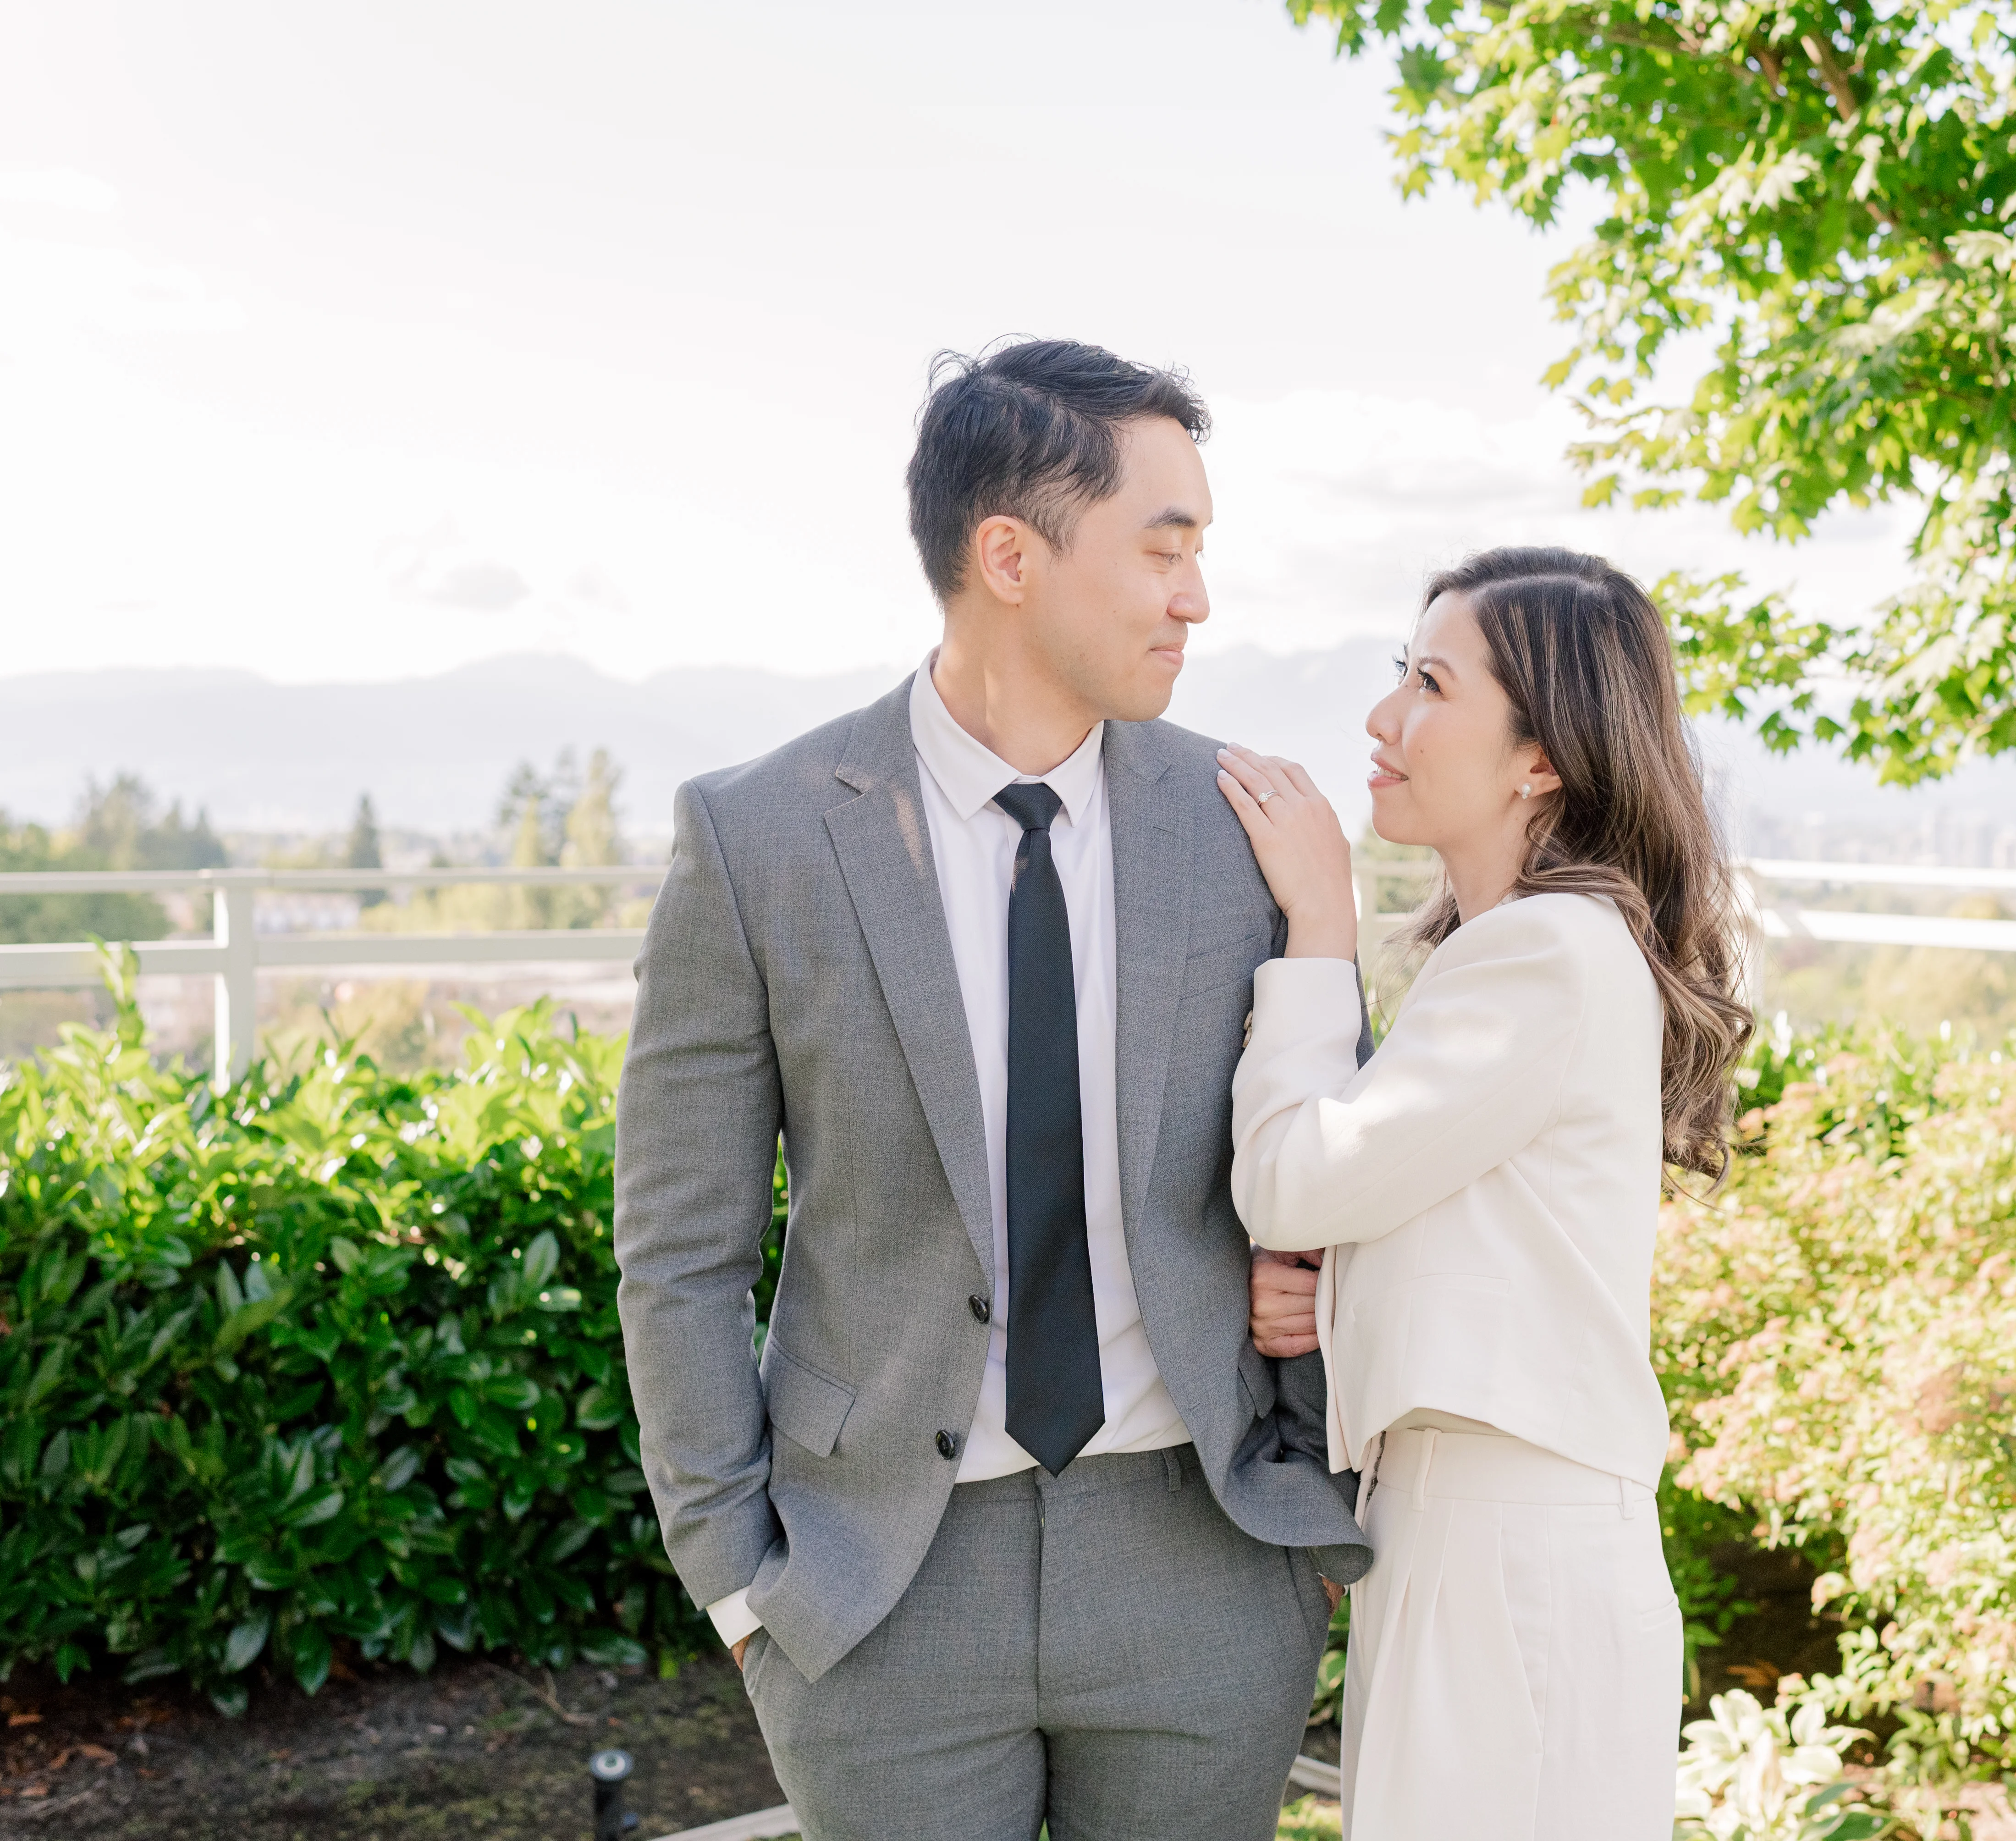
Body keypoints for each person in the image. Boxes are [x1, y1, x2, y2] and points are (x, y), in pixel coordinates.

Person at [613, 338, 1365, 1841]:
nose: (1195, 597)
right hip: (878, 1585)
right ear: (1008, 555)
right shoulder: (760, 838)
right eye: (1165, 550)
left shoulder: (1252, 827)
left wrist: (1300, 1504)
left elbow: (1337, 1171)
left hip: (1202, 1561)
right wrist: (737, 1579)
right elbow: (678, 1243)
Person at [1219, 546, 1757, 1839]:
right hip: (1470, 1528)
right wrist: (1335, 1298)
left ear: (1541, 759)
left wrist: (1318, 933)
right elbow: (1459, 1216)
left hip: (1508, 1544)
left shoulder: (1543, 953)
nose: (1382, 717)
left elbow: (1292, 1181)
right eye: (1397, 675)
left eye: (1429, 685)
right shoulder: (1523, 948)